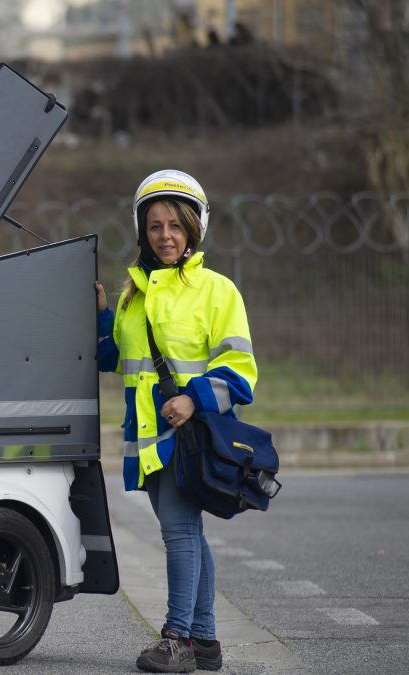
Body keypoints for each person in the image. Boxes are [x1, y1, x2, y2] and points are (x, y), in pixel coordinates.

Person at [94, 170, 257, 673]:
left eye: (176, 226)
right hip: (149, 440)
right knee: (186, 533)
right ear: (142, 230)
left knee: (180, 535)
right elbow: (113, 359)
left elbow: (241, 371)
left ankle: (178, 639)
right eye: (156, 225)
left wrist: (194, 399)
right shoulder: (132, 295)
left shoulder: (217, 291)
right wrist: (102, 313)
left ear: (194, 230)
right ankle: (204, 642)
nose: (165, 235)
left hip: (190, 436)